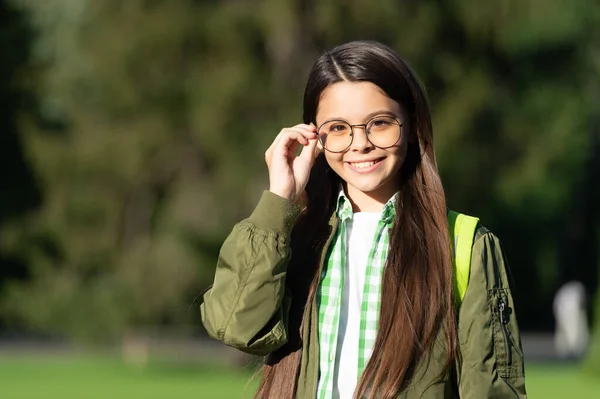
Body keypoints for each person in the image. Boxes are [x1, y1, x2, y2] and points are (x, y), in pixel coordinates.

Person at [201, 40, 526, 398]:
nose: (360, 144)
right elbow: (236, 328)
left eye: (380, 123)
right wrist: (280, 199)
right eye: (338, 128)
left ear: (412, 123)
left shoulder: (465, 243)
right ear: (315, 137)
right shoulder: (289, 235)